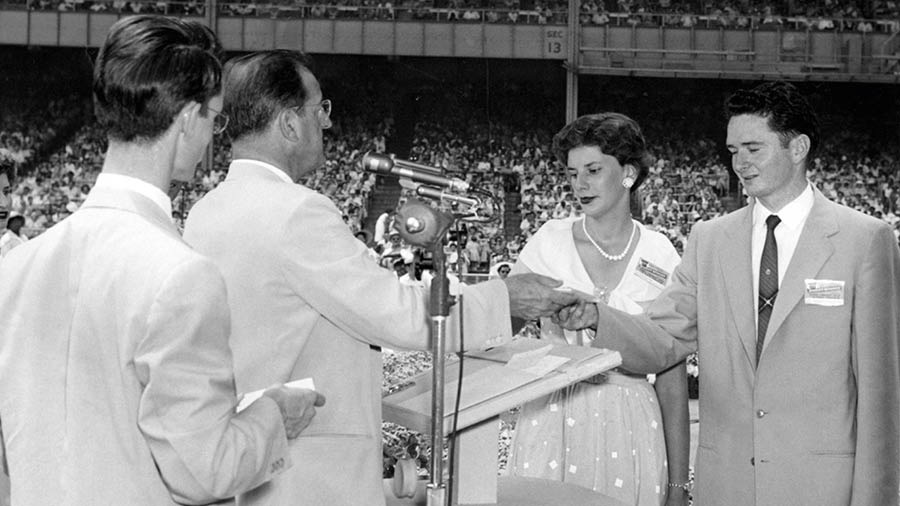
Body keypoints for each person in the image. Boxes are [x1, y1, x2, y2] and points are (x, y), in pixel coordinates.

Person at [182, 49, 578, 506]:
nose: (327, 124)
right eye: (320, 110)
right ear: (290, 124)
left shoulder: (206, 210)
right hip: (308, 477)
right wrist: (504, 299)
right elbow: (398, 313)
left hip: (252, 460)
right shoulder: (296, 213)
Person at [0, 16, 325, 506]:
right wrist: (274, 415)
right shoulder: (180, 274)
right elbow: (204, 473)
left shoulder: (18, 267)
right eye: (215, 119)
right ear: (189, 118)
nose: (213, 135)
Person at [555, 81, 900, 505]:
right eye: (733, 151)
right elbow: (663, 341)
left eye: (753, 149)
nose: (740, 164)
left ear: (798, 148)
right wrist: (597, 318)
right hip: (727, 486)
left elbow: (881, 396)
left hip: (822, 488)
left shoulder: (864, 240)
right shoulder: (710, 239)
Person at [507, 113, 689, 506]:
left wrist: (678, 487)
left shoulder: (661, 253)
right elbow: (502, 325)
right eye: (573, 174)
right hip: (552, 419)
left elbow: (672, 377)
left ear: (628, 174)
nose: (580, 185)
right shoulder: (548, 241)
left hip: (632, 429)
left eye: (592, 170)